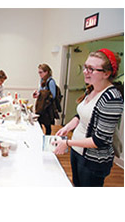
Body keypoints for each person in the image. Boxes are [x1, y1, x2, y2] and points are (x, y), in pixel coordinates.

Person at [54, 48, 123, 187]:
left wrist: (67, 143)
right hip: (77, 152)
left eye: (91, 69)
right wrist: (67, 127)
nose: (85, 71)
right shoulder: (91, 89)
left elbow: (100, 140)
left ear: (107, 73)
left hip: (93, 160)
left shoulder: (111, 99)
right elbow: (80, 115)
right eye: (86, 67)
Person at [33, 63, 57, 135]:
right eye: (39, 72)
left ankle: (46, 140)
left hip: (47, 108)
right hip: (41, 107)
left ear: (46, 72)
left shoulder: (51, 82)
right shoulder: (42, 81)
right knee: (38, 124)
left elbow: (53, 96)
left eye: (41, 72)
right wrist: (37, 94)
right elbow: (41, 92)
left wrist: (43, 95)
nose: (39, 74)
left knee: (47, 126)